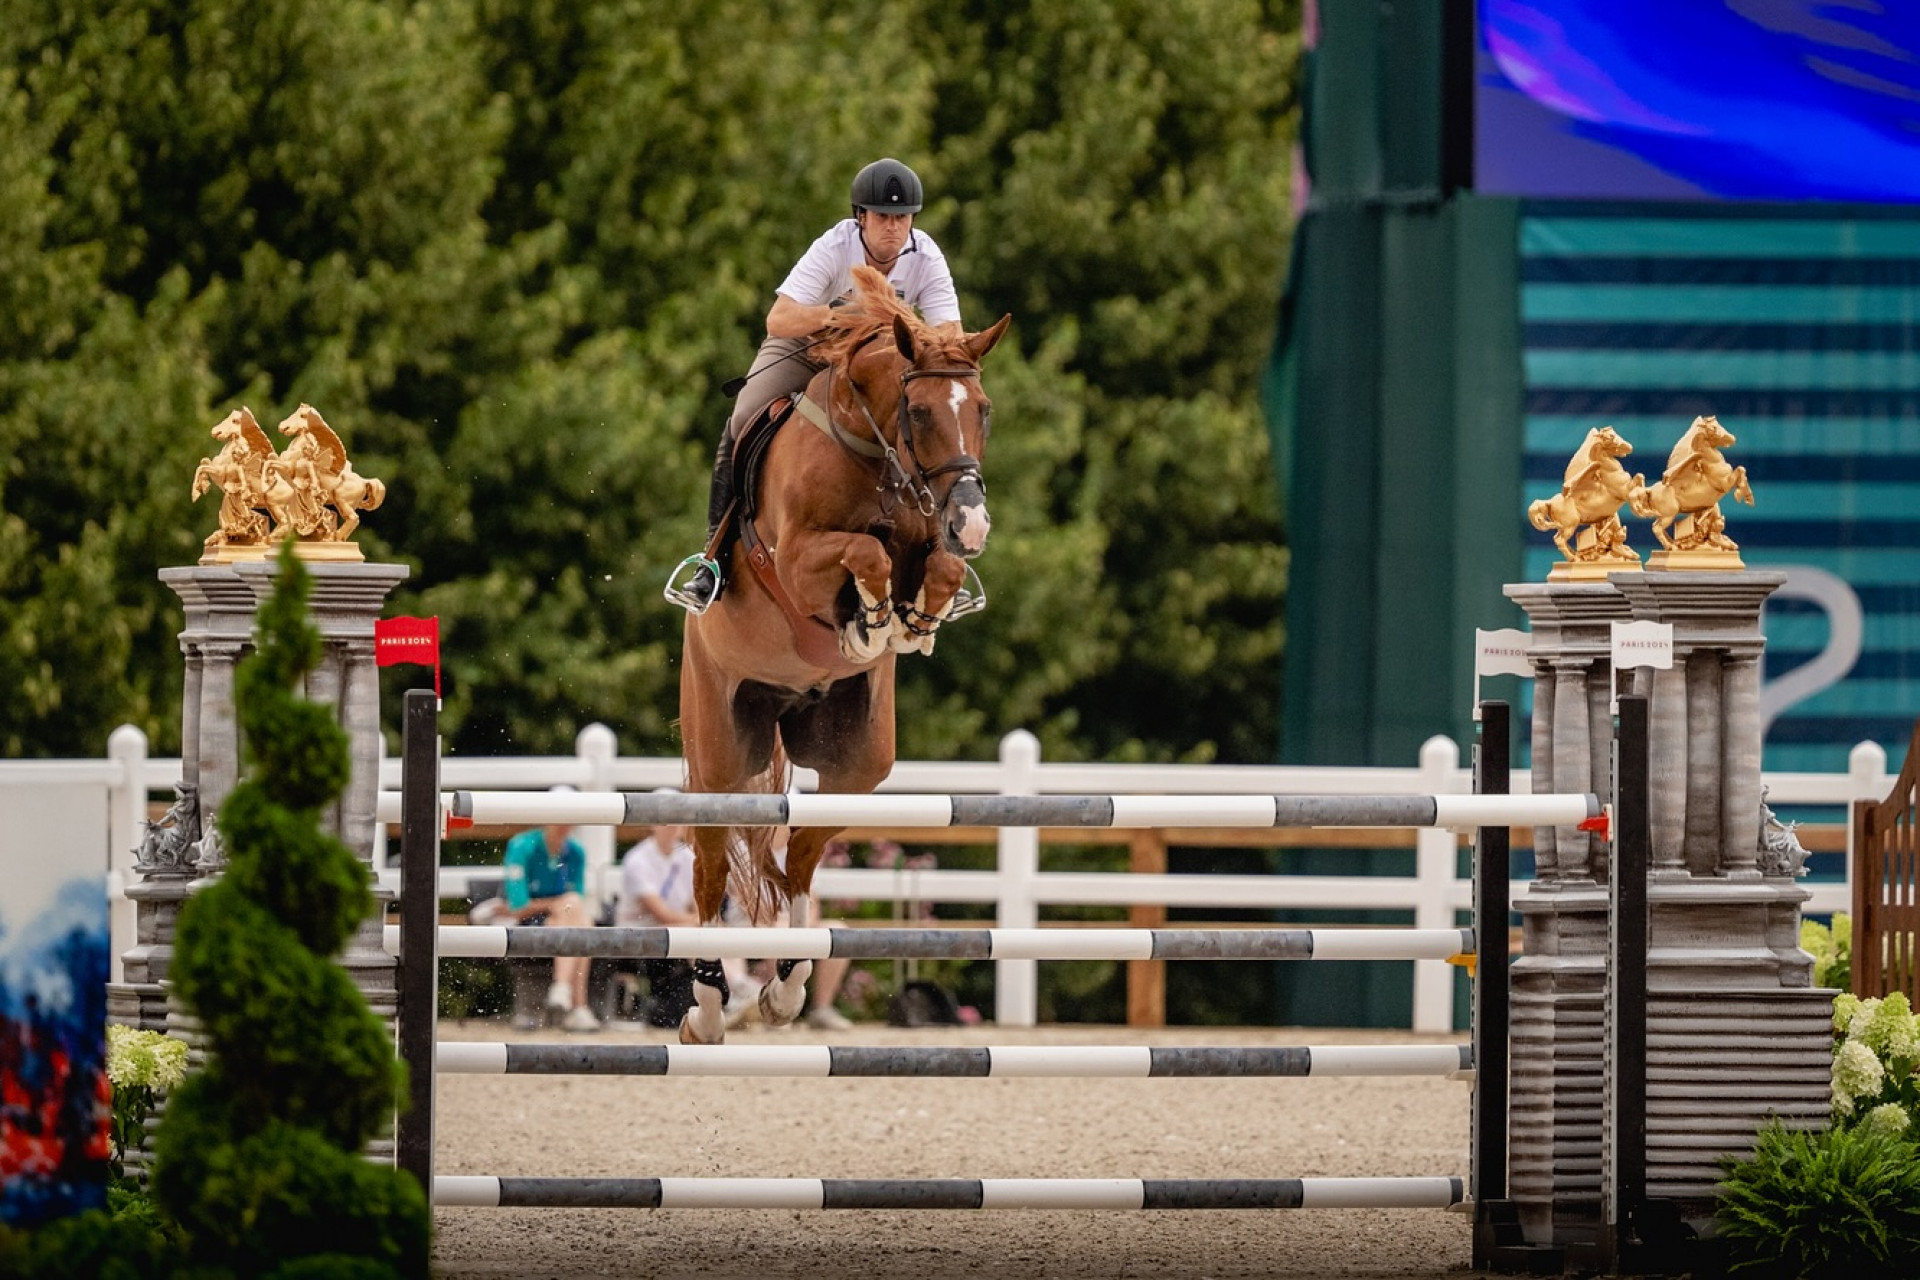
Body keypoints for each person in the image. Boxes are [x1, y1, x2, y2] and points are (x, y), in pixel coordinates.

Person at [664, 157, 965, 613]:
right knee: (745, 413)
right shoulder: (833, 246)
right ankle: (713, 560)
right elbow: (779, 318)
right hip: (809, 347)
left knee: (941, 416)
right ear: (859, 217)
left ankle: (942, 552)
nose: (893, 227)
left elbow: (951, 338)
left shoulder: (926, 256)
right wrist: (840, 319)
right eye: (882, 216)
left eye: (902, 217)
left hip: (884, 361)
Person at [496, 800, 601, 1032]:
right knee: (581, 919)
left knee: (580, 919)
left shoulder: (575, 851)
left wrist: (560, 907)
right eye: (559, 816)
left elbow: (575, 901)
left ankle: (563, 990)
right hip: (526, 920)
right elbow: (518, 906)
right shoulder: (523, 845)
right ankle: (577, 1004)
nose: (564, 824)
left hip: (559, 920)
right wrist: (556, 904)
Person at [615, 817, 700, 1027]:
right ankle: (729, 993)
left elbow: (698, 904)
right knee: (703, 934)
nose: (671, 828)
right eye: (665, 822)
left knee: (708, 934)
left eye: (675, 821)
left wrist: (700, 921)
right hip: (641, 931)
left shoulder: (688, 858)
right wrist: (698, 922)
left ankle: (730, 991)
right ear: (653, 825)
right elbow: (661, 914)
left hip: (676, 930)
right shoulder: (637, 859)